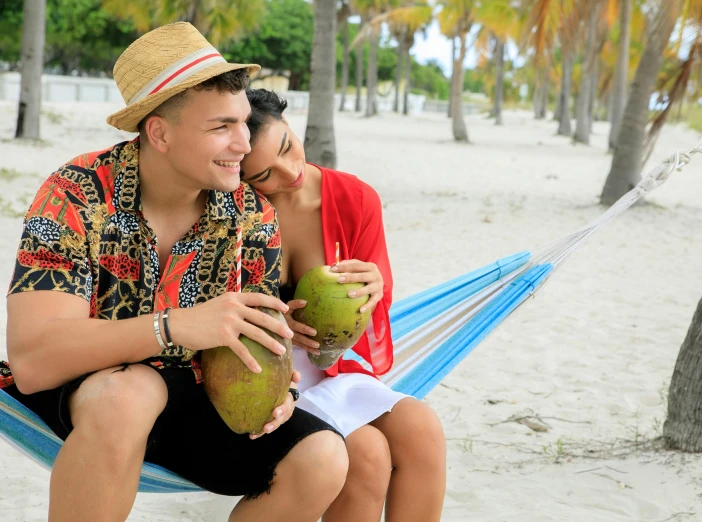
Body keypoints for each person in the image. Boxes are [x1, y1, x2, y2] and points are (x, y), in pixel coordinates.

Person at [0, 23, 347, 522]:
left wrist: (279, 390)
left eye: (245, 122)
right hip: (85, 385)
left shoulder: (251, 215)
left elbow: (259, 339)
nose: (244, 145)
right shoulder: (76, 193)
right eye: (221, 127)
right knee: (132, 393)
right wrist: (175, 326)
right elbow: (33, 361)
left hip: (193, 392)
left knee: (322, 456)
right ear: (159, 133)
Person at [239, 88, 447, 522]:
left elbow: (376, 304)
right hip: (264, 374)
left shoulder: (355, 199)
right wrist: (273, 320)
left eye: (287, 146)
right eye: (264, 176)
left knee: (423, 430)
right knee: (367, 455)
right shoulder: (233, 213)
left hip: (330, 363)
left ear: (289, 125)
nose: (290, 171)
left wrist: (373, 287)